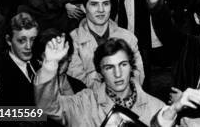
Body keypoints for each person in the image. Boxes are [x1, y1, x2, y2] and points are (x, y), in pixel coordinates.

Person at [35, 36, 164, 127]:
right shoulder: (83, 103)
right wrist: (50, 65)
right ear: (100, 72)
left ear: (131, 66)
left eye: (123, 65)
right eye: (109, 68)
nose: (117, 74)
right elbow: (47, 108)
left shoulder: (157, 108)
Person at [68, 0, 144, 88]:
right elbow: (77, 81)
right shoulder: (72, 40)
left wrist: (95, 76)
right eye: (94, 4)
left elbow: (138, 75)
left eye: (105, 4)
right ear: (83, 8)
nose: (101, 10)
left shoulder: (128, 37)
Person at [0, 12, 38, 107]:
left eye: (32, 39)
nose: (28, 46)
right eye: (22, 40)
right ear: (9, 40)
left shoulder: (39, 64)